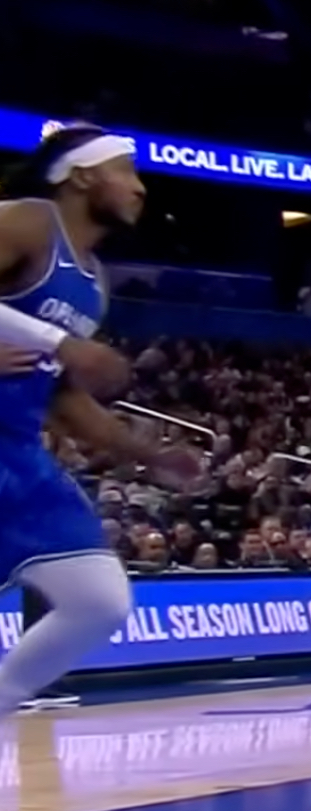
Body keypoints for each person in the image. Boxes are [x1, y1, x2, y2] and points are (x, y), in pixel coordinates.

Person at [0, 125, 202, 713]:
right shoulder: (25, 220)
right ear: (82, 175)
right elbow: (55, 351)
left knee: (98, 599)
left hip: (17, 451)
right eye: (127, 171)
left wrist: (148, 453)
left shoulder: (94, 284)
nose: (140, 189)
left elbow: (59, 396)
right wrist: (57, 341)